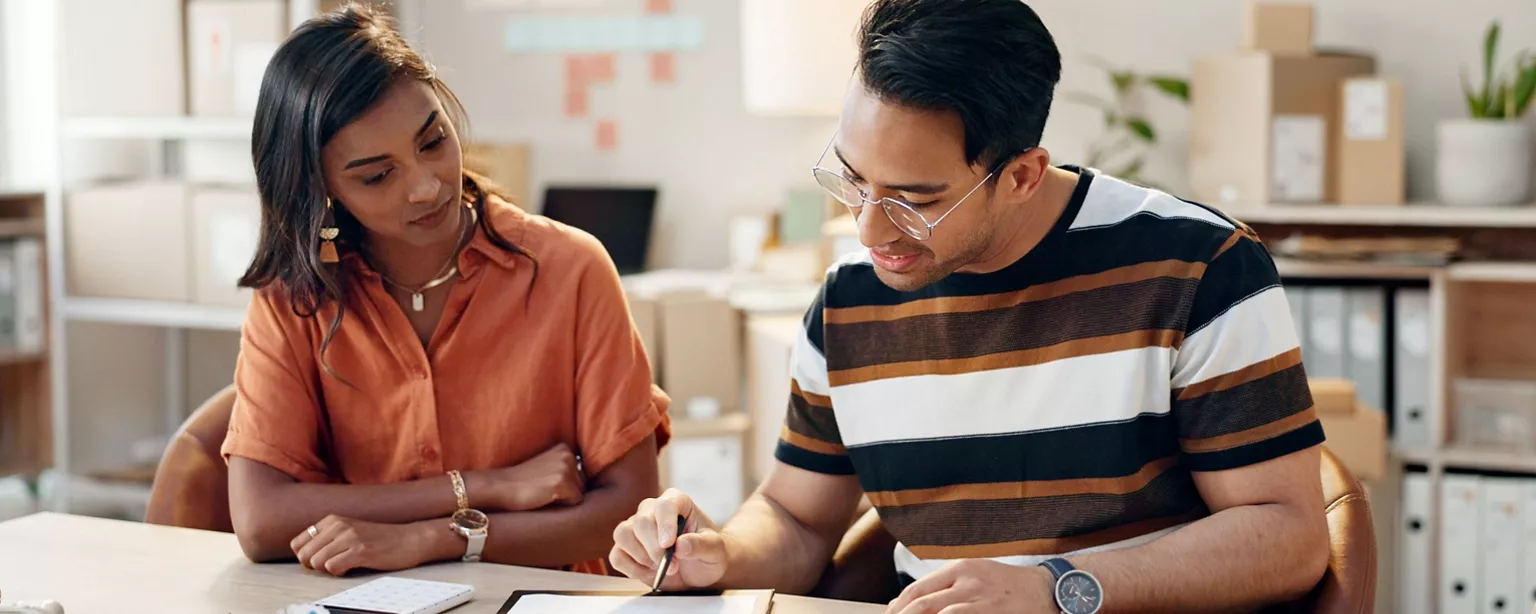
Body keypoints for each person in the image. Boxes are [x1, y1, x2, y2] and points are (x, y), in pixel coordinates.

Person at [610, 1, 1330, 612]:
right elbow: (797, 521)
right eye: (853, 180)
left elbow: (1289, 536)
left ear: (1021, 175)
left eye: (914, 201)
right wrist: (718, 553)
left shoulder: (1197, 267)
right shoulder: (849, 303)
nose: (870, 229)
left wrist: (1055, 590)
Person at [222, 5, 669, 577]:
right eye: (378, 176)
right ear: (321, 188)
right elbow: (261, 520)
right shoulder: (295, 298)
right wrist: (487, 488)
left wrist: (435, 539)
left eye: (433, 141)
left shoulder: (570, 269)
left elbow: (627, 510)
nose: (427, 186)